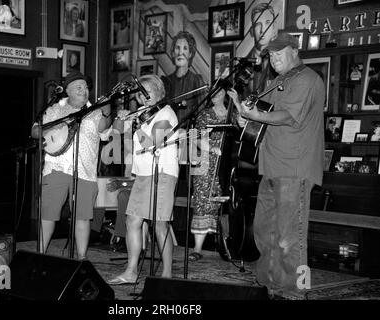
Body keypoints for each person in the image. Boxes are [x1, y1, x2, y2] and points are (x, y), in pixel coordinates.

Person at [228, 31, 325, 298]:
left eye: (279, 52)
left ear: (295, 50)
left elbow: (285, 116)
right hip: (271, 166)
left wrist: (255, 113)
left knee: (291, 238)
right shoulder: (277, 82)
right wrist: (243, 116)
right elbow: (261, 120)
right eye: (270, 54)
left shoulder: (307, 79)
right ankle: (270, 284)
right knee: (265, 232)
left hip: (295, 169)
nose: (273, 57)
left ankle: (296, 291)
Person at [31, 71, 111, 259]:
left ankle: (81, 258)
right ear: (67, 90)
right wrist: (53, 128)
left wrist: (107, 111)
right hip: (55, 167)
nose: (84, 91)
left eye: (85, 87)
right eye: (78, 87)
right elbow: (35, 131)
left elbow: (104, 127)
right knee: (48, 215)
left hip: (84, 170)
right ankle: (40, 255)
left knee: (82, 216)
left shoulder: (94, 111)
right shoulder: (54, 110)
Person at [108, 74, 179, 284]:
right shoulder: (142, 114)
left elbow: (151, 143)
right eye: (141, 93)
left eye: (148, 92)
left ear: (159, 92)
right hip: (143, 174)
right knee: (132, 220)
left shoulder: (167, 114)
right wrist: (121, 119)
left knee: (160, 225)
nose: (144, 97)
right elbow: (121, 137)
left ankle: (167, 274)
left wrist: (137, 124)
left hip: (162, 173)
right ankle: (131, 271)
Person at [188, 87, 229, 261]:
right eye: (212, 92)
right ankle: (197, 248)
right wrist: (211, 147)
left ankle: (227, 244)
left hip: (227, 165)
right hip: (206, 163)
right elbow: (196, 138)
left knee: (226, 203)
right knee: (202, 203)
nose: (215, 95)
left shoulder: (232, 114)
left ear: (226, 93)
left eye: (219, 91)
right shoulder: (204, 114)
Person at [162, 31, 205, 126]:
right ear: (173, 53)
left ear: (190, 54)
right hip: (168, 133)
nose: (180, 52)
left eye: (185, 48)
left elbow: (203, 112)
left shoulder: (196, 80)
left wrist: (200, 138)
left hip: (191, 134)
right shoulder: (165, 81)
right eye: (177, 48)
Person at [245, 3, 279, 95]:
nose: (262, 30)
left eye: (267, 22)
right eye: (257, 24)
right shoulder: (244, 63)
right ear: (252, 31)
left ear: (274, 27)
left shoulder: (280, 60)